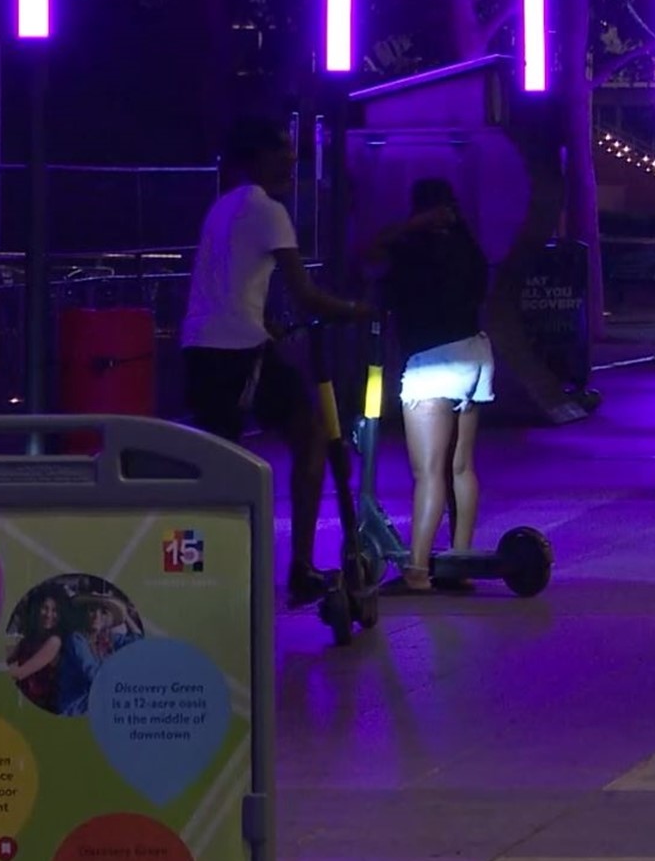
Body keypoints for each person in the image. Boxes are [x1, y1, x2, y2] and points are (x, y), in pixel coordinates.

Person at [180, 117, 371, 605]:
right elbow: (305, 294)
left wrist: (270, 324)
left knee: (217, 458)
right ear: (256, 159)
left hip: (205, 344)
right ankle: (301, 568)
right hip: (239, 349)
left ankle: (197, 570)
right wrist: (358, 310)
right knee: (309, 436)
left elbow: (233, 283)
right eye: (282, 149)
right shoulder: (269, 210)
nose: (292, 158)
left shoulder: (222, 207)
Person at [367, 178, 494, 593]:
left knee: (427, 473)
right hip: (475, 354)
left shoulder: (412, 250)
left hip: (431, 362)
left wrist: (412, 226)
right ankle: (460, 562)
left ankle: (418, 569)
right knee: (460, 466)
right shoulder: (467, 247)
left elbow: (368, 254)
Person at [6, 583, 69, 712]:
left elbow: (20, 673)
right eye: (45, 608)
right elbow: (10, 657)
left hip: (39, 706)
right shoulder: (31, 637)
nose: (49, 614)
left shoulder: (54, 642)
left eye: (54, 610)